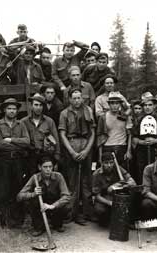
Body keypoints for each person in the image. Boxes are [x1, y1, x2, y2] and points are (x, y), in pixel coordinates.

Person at [59, 88, 95, 225]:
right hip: (72, 145)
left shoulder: (88, 111)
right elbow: (62, 134)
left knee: (86, 180)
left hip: (86, 144)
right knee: (73, 182)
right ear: (69, 99)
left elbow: (93, 132)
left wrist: (86, 151)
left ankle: (87, 212)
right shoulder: (64, 114)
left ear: (82, 98)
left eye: (79, 98)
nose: (76, 101)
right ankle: (71, 213)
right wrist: (72, 152)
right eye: (74, 98)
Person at [0, 98, 30, 228]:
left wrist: (11, 139)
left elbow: (27, 142)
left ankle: (17, 221)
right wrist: (17, 146)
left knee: (18, 188)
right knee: (3, 190)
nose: (12, 111)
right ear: (4, 110)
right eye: (9, 108)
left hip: (18, 161)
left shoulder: (21, 125)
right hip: (3, 161)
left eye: (14, 109)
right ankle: (4, 221)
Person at [17, 156, 71, 235]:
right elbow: (19, 196)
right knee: (31, 202)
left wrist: (52, 206)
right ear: (39, 167)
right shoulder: (34, 178)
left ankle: (57, 224)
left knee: (67, 206)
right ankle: (39, 226)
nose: (48, 169)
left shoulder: (58, 176)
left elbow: (66, 196)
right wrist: (33, 194)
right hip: (40, 208)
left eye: (50, 167)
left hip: (53, 207)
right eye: (45, 167)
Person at [132, 92, 157, 184]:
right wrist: (141, 142)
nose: (147, 107)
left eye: (150, 105)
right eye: (145, 105)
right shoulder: (138, 120)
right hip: (142, 151)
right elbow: (133, 136)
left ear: (154, 106)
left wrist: (156, 140)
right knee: (141, 171)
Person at [21, 93, 60, 179]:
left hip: (45, 155)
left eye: (40, 105)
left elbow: (56, 140)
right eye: (36, 105)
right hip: (30, 156)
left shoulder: (49, 121)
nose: (38, 108)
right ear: (31, 106)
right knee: (31, 180)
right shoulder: (24, 122)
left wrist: (56, 158)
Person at [92, 152, 136, 227]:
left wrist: (117, 185)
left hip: (118, 196)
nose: (109, 165)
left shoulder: (118, 168)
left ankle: (128, 219)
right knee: (100, 210)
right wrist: (110, 203)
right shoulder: (96, 174)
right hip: (105, 199)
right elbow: (97, 196)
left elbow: (133, 182)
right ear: (101, 163)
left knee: (133, 192)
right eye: (106, 163)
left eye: (111, 163)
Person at [97, 92, 133, 170]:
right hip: (108, 148)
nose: (114, 106)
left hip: (122, 147)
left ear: (120, 104)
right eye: (112, 103)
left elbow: (129, 134)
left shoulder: (125, 117)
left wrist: (128, 151)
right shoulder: (103, 117)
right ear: (109, 105)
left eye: (117, 103)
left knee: (123, 173)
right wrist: (100, 156)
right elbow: (100, 137)